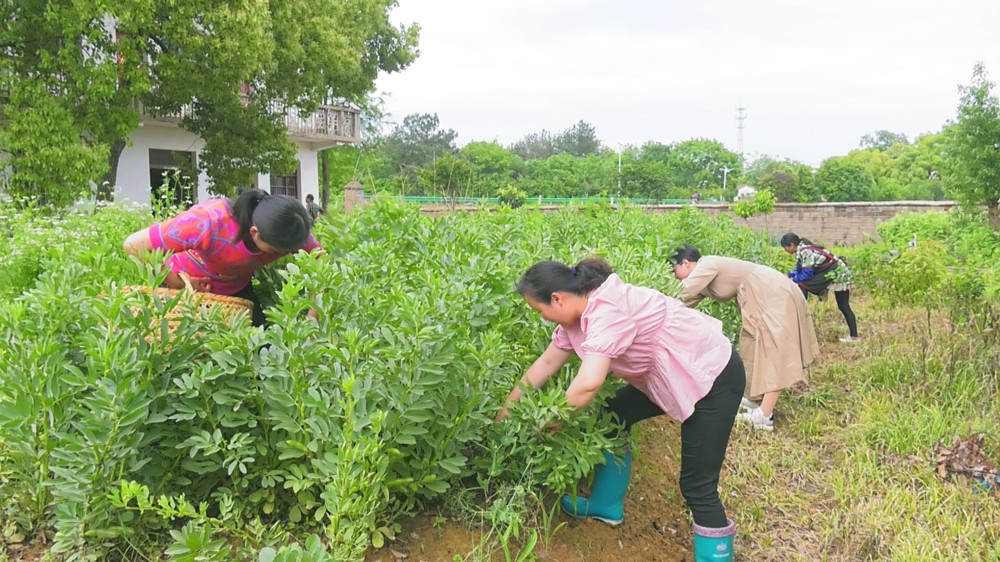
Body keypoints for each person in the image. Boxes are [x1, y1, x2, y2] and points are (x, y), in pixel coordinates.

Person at [499, 258, 744, 561]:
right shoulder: (575, 320)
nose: (542, 317)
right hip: (671, 371)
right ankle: (606, 504)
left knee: (697, 486)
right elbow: (545, 365)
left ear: (557, 299)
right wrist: (505, 415)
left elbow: (589, 383)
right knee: (613, 416)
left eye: (540, 311)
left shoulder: (605, 311)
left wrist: (554, 417)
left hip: (712, 374)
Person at [670, 244, 819, 432]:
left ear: (685, 263)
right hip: (755, 296)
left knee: (773, 347)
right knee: (750, 344)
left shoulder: (705, 264)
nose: (674, 277)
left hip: (771, 291)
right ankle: (753, 397)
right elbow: (680, 304)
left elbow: (682, 292)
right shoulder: (702, 277)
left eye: (674, 271)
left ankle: (765, 415)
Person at [124, 189, 321, 326]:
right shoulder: (208, 221)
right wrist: (178, 281)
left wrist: (312, 317)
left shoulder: (293, 228)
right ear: (255, 232)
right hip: (183, 288)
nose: (281, 254)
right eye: (275, 250)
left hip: (236, 291)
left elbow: (322, 268)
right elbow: (133, 244)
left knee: (260, 354)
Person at [779, 233, 859, 343]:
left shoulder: (805, 251)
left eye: (785, 247)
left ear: (792, 245)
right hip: (832, 271)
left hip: (838, 273)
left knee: (843, 305)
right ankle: (801, 311)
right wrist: (788, 276)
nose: (785, 250)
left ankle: (801, 311)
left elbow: (806, 274)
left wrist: (793, 280)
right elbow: (799, 269)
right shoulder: (802, 249)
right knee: (843, 305)